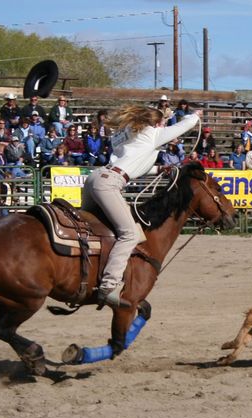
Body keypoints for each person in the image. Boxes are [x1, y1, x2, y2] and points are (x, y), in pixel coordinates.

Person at [80, 104, 202, 306]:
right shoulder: (152, 133)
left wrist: (159, 169)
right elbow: (183, 127)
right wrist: (194, 117)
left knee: (90, 228)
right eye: (161, 122)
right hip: (110, 183)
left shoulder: (128, 134)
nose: (163, 126)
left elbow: (133, 163)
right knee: (130, 233)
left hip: (97, 178)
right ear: (155, 123)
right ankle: (109, 285)